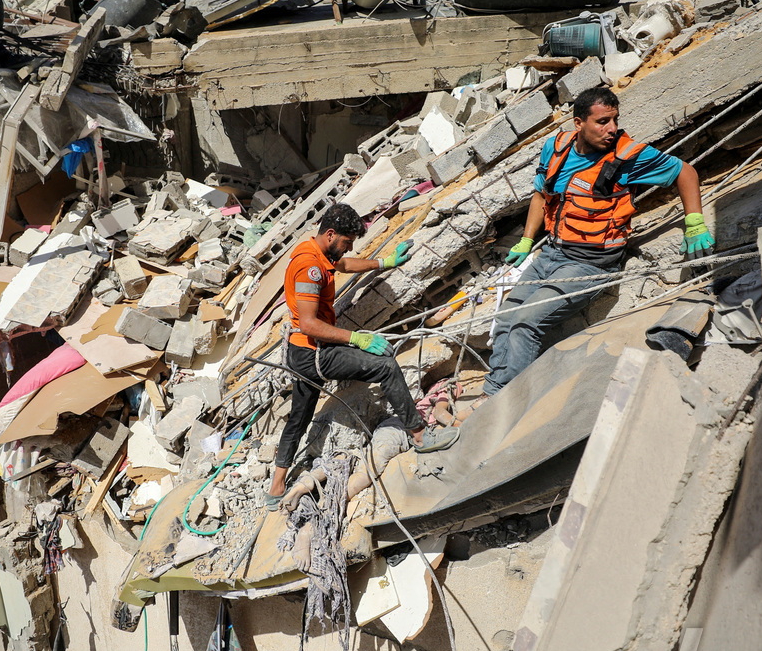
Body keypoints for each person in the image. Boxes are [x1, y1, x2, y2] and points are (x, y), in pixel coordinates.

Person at [479, 87, 714, 400]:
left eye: (614, 119)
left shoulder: (627, 156)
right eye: (603, 121)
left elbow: (685, 172)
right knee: (507, 314)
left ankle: (505, 401)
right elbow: (541, 195)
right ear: (579, 124)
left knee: (526, 321)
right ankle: (492, 392)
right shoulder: (556, 148)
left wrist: (694, 223)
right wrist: (526, 240)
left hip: (590, 263)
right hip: (551, 252)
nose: (612, 128)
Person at [268, 203, 459, 508]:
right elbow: (309, 324)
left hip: (301, 351)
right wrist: (357, 338)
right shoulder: (309, 267)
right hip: (313, 352)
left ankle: (276, 486)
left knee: (299, 416)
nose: (348, 249)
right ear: (331, 234)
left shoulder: (317, 250)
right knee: (385, 366)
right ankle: (421, 436)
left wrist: (383, 263)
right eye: (346, 242)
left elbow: (342, 266)